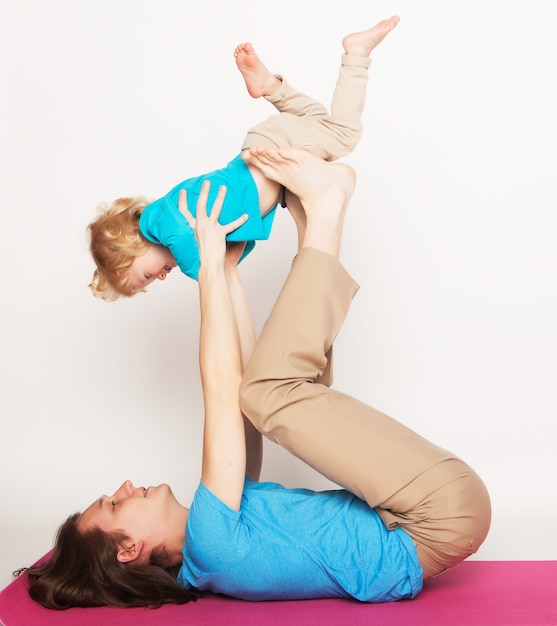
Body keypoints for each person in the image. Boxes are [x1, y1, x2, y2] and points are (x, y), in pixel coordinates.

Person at [22, 147, 491, 609]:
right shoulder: (210, 546)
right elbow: (222, 387)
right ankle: (325, 213)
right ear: (129, 551)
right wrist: (206, 269)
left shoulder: (220, 530)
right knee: (270, 395)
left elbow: (243, 394)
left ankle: (320, 218)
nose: (125, 486)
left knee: (264, 397)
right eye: (115, 505)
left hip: (429, 515)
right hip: (433, 517)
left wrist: (227, 272)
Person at [87, 16, 400, 301]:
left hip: (270, 153)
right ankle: (268, 85)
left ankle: (356, 54)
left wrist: (206, 276)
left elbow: (184, 244)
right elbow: (238, 243)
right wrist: (226, 263)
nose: (161, 275)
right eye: (154, 281)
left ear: (132, 245)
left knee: (343, 133)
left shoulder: (159, 219)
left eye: (147, 275)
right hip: (267, 149)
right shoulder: (180, 225)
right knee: (318, 118)